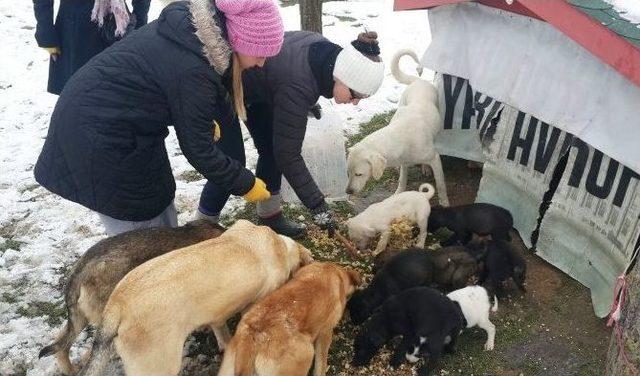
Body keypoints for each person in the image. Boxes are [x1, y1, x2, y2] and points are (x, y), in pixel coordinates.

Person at [33, 0, 285, 236]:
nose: (262, 64)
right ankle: (141, 277)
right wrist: (246, 184)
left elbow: (162, 87)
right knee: (141, 233)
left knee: (159, 200)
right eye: (260, 54)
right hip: (98, 136)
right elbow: (198, 150)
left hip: (124, 126)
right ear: (240, 40)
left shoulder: (195, 36)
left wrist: (201, 121)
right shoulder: (194, 68)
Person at [197, 31, 385, 238]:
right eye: (355, 95)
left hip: (260, 86)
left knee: (271, 148)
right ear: (344, 77)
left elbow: (292, 74)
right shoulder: (298, 85)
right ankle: (200, 228)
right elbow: (289, 155)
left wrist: (304, 102)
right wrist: (317, 206)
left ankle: (270, 215)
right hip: (221, 85)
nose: (355, 102)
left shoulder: (326, 55)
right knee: (231, 160)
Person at [33, 0, 152, 95]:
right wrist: (46, 34)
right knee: (79, 99)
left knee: (117, 98)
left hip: (116, 26)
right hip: (75, 32)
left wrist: (139, 26)